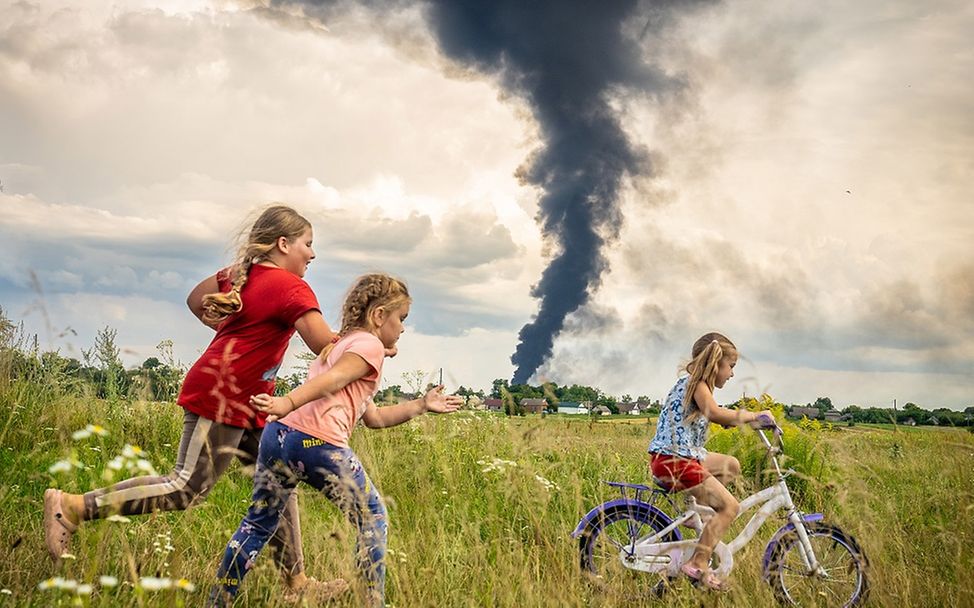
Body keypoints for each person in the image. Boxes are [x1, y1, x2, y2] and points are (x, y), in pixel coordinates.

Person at [43, 204, 342, 600]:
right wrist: (370, 341)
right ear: (284, 244)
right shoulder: (291, 287)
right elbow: (325, 347)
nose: (313, 254)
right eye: (308, 244)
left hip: (253, 403)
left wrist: (227, 327)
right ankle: (73, 506)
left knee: (279, 481)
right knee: (186, 487)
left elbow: (195, 298)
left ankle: (297, 583)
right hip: (221, 397)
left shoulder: (242, 276)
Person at [209, 273, 461, 608]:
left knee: (258, 523)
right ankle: (372, 603)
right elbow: (334, 379)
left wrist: (421, 404)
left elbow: (374, 418)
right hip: (317, 444)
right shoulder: (367, 347)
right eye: (401, 319)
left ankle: (219, 599)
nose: (402, 329)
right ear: (378, 316)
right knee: (372, 517)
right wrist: (287, 401)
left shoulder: (340, 346)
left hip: (279, 435)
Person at [647, 332, 774, 591]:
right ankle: (699, 563)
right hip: (676, 462)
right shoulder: (697, 384)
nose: (732, 374)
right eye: (731, 367)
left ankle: (702, 517)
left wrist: (734, 421)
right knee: (730, 507)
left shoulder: (693, 384)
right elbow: (714, 412)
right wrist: (754, 415)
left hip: (680, 456)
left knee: (732, 465)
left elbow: (708, 414)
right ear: (716, 363)